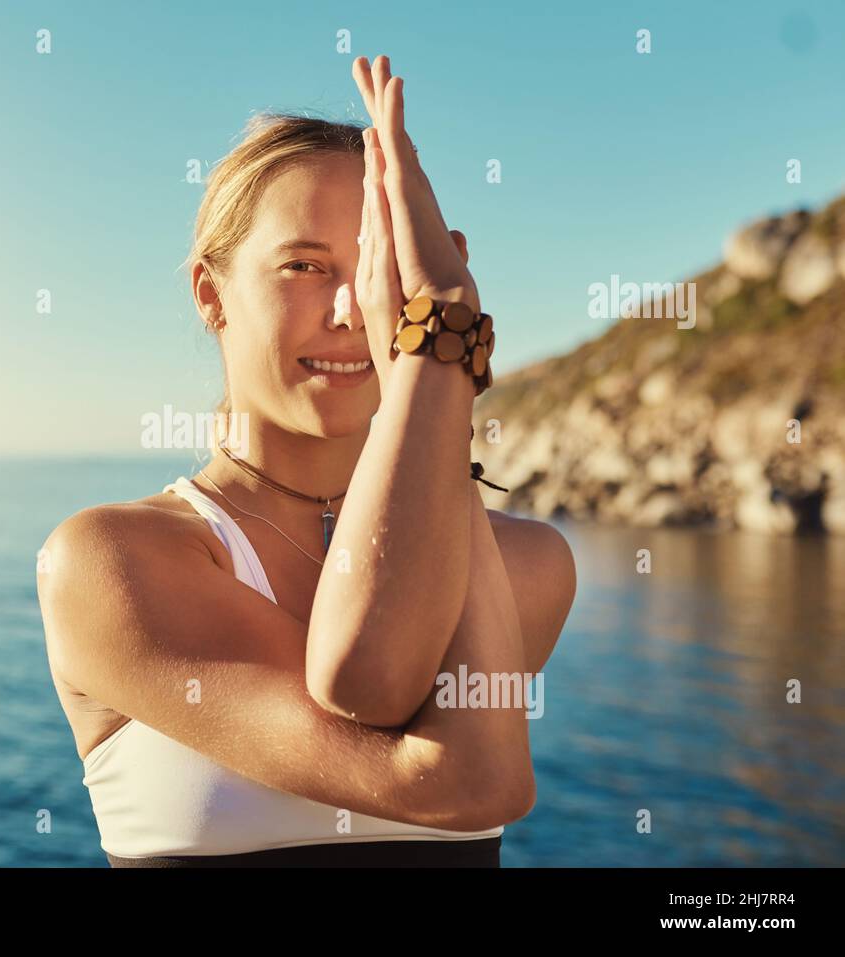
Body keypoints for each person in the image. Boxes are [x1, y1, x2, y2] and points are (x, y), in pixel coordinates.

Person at [37, 55, 577, 867]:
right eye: (304, 266)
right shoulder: (110, 561)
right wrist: (442, 351)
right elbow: (462, 778)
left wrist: (433, 363)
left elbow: (375, 668)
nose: (352, 310)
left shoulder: (531, 564)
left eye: (379, 272)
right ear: (210, 294)